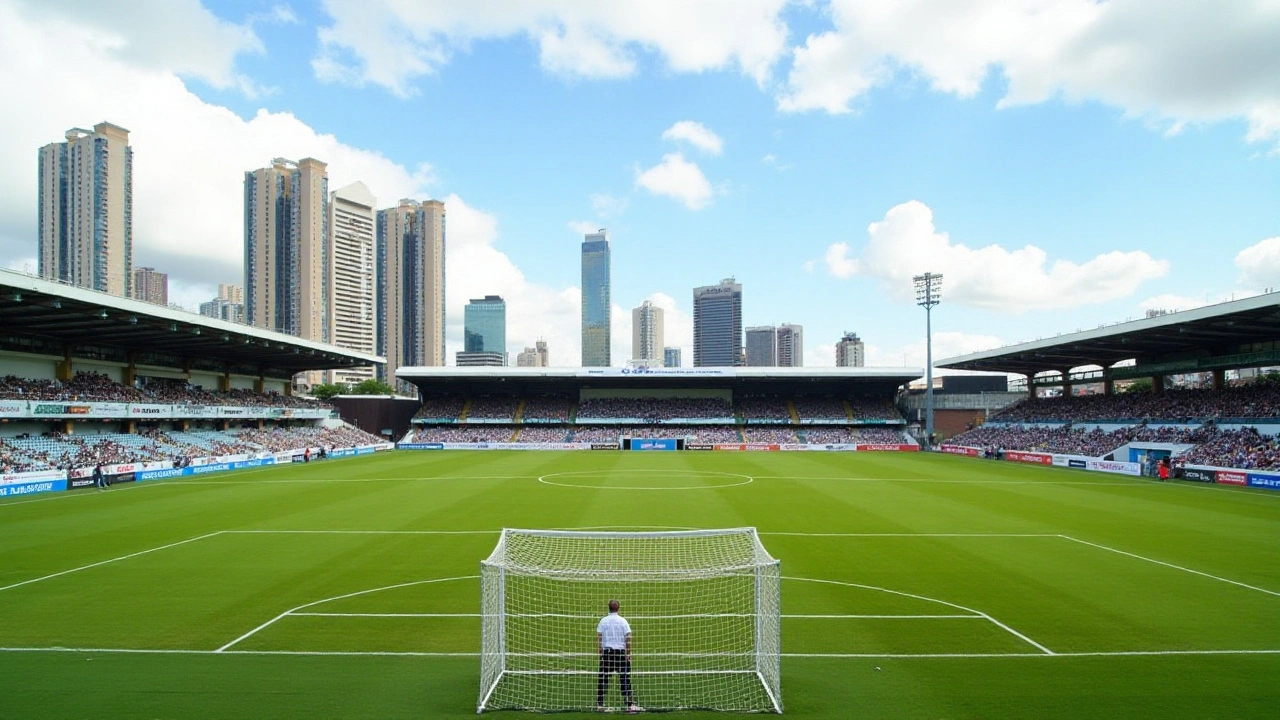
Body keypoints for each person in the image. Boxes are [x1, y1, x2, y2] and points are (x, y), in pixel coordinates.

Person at [597, 599, 638, 713]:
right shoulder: (623, 621)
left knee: (603, 679)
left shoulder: (603, 621)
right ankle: (629, 705)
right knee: (624, 679)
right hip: (620, 653)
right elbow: (628, 639)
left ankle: (599, 704)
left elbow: (599, 637)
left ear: (608, 608)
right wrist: (628, 654)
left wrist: (600, 653)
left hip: (607, 653)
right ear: (618, 608)